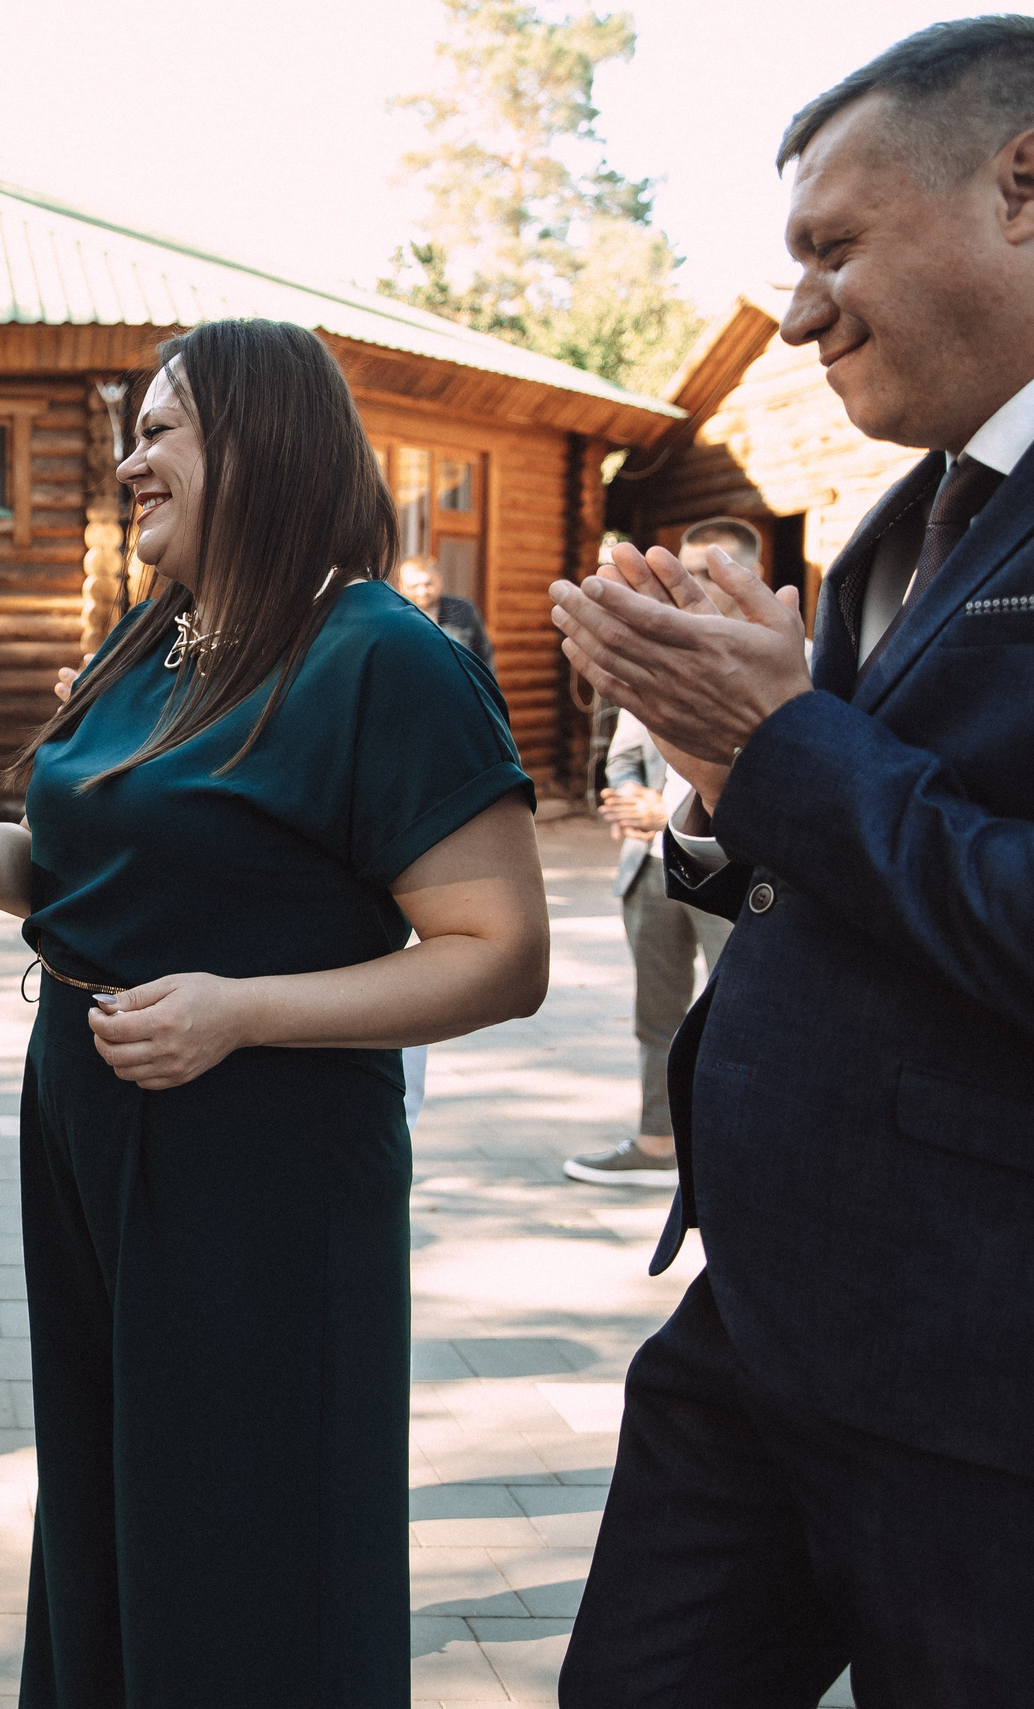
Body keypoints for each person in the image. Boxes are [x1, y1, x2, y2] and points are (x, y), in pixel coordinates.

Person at [0, 319, 548, 1706]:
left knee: (250, 1535)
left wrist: (243, 1012)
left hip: (259, 1157)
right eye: (133, 432)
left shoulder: (382, 654)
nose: (130, 460)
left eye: (160, 430)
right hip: (85, 1126)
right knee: (110, 1505)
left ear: (259, 442)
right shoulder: (159, 636)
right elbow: (66, 879)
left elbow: (501, 952)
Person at [549, 21, 1034, 1701]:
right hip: (761, 1318)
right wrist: (713, 776)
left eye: (835, 247)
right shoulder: (909, 517)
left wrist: (780, 743)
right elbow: (845, 840)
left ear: (1023, 187)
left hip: (981, 1374)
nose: (802, 309)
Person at [563, 709, 731, 1187]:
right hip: (651, 869)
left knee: (735, 1021)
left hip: (731, 873)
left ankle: (731, 1156)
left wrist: (671, 814)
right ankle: (657, 1144)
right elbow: (624, 757)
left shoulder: (781, 657)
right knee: (656, 1018)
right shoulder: (650, 664)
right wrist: (631, 795)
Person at [395, 552, 494, 664]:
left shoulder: (464, 611)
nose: (422, 592)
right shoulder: (394, 618)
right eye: (414, 586)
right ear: (401, 586)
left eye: (428, 584)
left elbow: (485, 655)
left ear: (439, 580)